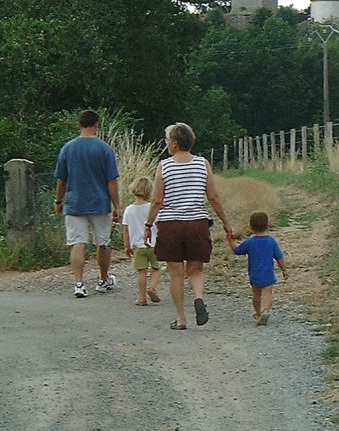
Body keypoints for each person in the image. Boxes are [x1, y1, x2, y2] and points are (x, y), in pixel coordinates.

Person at [144, 122, 232, 330]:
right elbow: (212, 196)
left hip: (171, 224)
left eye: (167, 141)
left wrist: (148, 224)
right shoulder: (203, 164)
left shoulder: (164, 166)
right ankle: (199, 298)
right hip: (197, 223)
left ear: (174, 144)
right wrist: (226, 222)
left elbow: (157, 200)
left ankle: (181, 318)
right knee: (196, 268)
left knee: (176, 272)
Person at [54, 109, 121, 298]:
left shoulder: (67, 148)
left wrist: (59, 201)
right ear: (96, 125)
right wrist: (117, 205)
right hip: (99, 202)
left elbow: (61, 180)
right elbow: (111, 180)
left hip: (75, 202)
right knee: (103, 242)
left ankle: (79, 284)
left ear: (79, 124)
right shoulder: (104, 149)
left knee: (77, 243)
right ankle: (103, 279)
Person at [228, 211, 288, 326]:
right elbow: (279, 257)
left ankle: (258, 313)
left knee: (256, 294)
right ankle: (266, 311)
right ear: (267, 225)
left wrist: (230, 239)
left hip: (255, 274)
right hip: (268, 273)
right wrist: (284, 270)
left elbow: (237, 250)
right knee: (267, 293)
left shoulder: (250, 242)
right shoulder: (271, 241)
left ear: (251, 227)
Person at [122, 176, 162, 306]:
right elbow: (159, 225)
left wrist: (127, 246)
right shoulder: (152, 208)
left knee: (141, 272)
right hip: (154, 244)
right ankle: (153, 288)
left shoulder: (128, 210)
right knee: (156, 268)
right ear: (150, 191)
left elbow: (126, 230)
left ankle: (142, 297)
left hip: (138, 246)